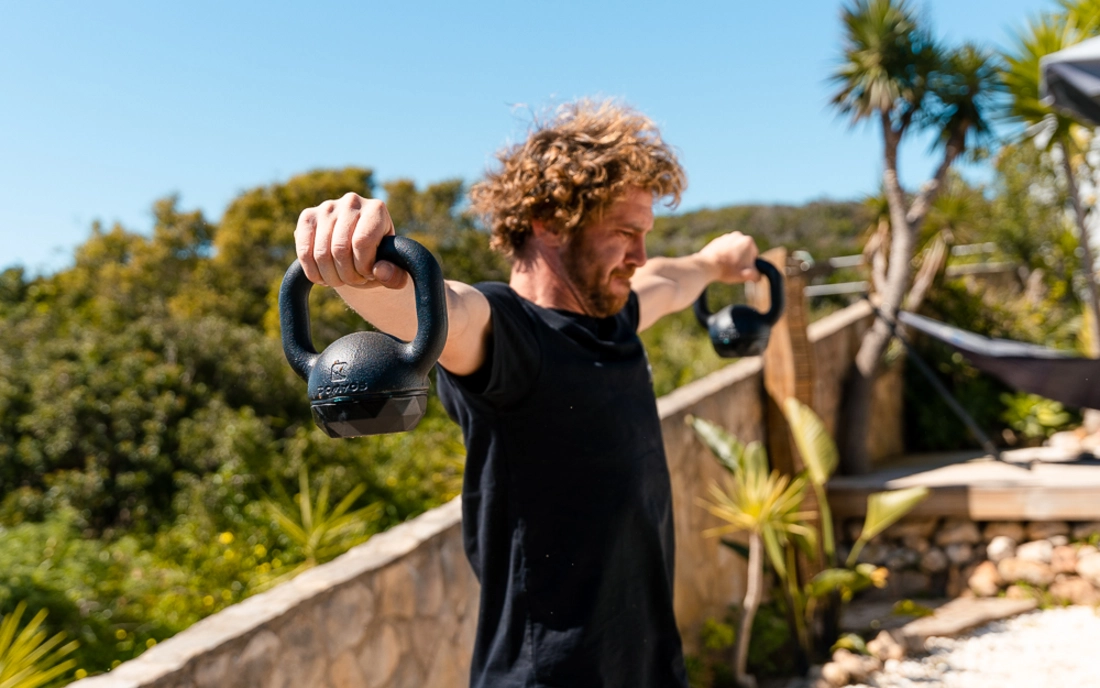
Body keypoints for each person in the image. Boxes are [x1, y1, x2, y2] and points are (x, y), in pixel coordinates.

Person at [294, 100, 760, 688]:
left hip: (647, 666)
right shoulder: (513, 337)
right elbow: (448, 312)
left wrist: (719, 260)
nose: (638, 255)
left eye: (644, 235)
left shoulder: (614, 318)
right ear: (550, 219)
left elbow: (669, 278)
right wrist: (367, 270)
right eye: (624, 233)